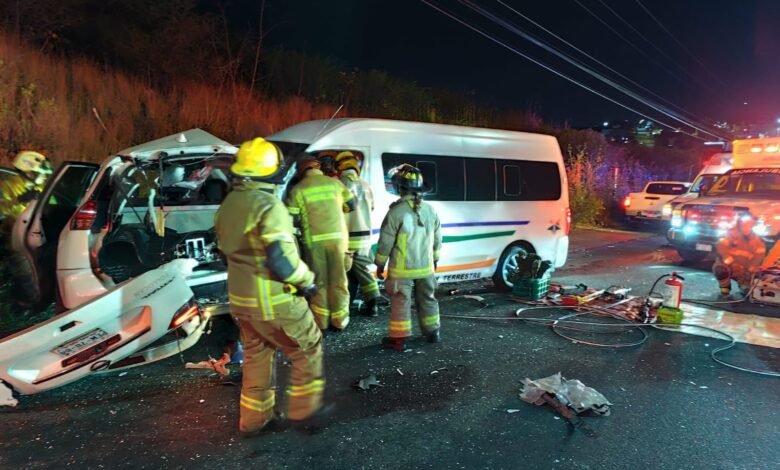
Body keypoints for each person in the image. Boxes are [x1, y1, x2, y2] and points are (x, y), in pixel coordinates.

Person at [215, 138, 327, 437]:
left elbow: (224, 252)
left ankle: (254, 422)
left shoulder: (229, 204)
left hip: (241, 302)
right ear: (272, 171)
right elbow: (282, 261)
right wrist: (307, 281)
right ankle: (304, 415)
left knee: (257, 358)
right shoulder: (268, 205)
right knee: (307, 349)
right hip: (274, 300)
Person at [374, 164, 442, 351]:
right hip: (426, 267)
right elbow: (437, 239)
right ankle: (432, 332)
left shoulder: (396, 212)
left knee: (400, 301)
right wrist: (435, 259)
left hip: (402, 269)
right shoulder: (430, 210)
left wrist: (380, 264)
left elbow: (385, 242)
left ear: (400, 187)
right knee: (428, 298)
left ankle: (398, 339)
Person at [287, 157, 355, 331]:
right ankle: (340, 321)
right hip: (338, 241)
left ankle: (321, 321)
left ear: (301, 171)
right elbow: (352, 205)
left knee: (320, 282)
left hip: (314, 243)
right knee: (339, 281)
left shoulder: (298, 189)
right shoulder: (335, 184)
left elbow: (292, 219)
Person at [0, 151, 53, 308]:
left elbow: (53, 205)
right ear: (28, 172)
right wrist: (20, 199)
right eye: (39, 174)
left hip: (37, 231)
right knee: (23, 266)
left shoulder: (41, 187)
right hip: (14, 231)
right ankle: (28, 302)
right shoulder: (8, 186)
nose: (43, 177)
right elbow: (2, 209)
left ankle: (43, 295)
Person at [335, 151, 380, 317]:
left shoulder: (340, 185)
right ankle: (373, 304)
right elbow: (372, 208)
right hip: (365, 237)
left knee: (345, 274)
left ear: (340, 167)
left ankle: (345, 308)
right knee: (363, 271)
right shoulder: (366, 185)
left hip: (347, 237)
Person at [713, 214, 767, 297]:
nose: (746, 227)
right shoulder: (729, 235)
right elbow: (722, 250)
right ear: (739, 224)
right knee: (720, 269)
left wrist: (750, 270)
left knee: (748, 291)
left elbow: (759, 257)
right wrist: (732, 263)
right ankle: (725, 290)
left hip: (745, 269)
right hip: (730, 266)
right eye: (743, 224)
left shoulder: (758, 240)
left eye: (748, 224)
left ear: (752, 225)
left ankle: (744, 286)